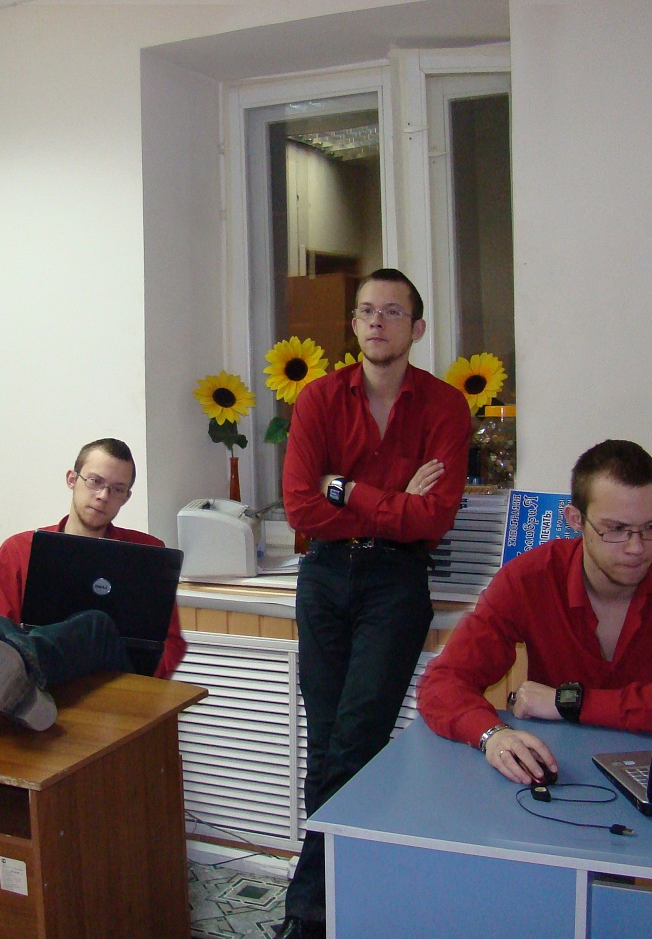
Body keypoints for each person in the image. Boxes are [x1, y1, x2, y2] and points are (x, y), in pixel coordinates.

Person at [275, 268, 471, 939]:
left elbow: (433, 519)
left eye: (392, 311)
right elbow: (301, 507)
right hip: (324, 575)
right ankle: (335, 900)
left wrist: (348, 490)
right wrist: (394, 501)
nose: (377, 322)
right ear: (353, 324)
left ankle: (307, 909)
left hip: (397, 581)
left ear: (417, 328)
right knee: (327, 739)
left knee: (356, 738)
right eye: (366, 311)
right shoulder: (319, 398)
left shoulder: (445, 406)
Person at [418, 439, 652, 785]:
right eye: (616, 529)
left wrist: (570, 703)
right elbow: (442, 683)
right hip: (563, 772)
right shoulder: (530, 578)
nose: (637, 548)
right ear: (575, 519)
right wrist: (492, 735)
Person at [0, 437, 187, 730]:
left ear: (126, 497)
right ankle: (8, 683)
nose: (103, 495)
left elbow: (171, 643)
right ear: (72, 479)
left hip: (116, 673)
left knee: (96, 623)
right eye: (95, 482)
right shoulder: (20, 548)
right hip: (48, 675)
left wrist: (145, 693)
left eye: (117, 489)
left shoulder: (146, 552)